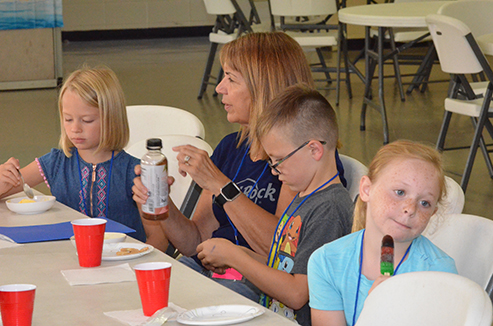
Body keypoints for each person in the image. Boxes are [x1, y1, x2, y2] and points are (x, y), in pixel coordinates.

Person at [132, 31, 347, 301]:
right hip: (214, 274)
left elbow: (283, 251)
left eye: (231, 79)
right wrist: (162, 204)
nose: (220, 88)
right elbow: (195, 242)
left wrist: (222, 186)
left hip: (258, 287)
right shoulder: (231, 146)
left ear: (263, 87)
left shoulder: (299, 161)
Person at [196, 85, 353, 326]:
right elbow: (282, 267)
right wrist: (234, 253)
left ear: (314, 149)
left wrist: (236, 257)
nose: (274, 169)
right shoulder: (303, 196)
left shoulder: (328, 209)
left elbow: (297, 293)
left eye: (280, 160)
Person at [0, 66, 166, 251]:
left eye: (86, 120)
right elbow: (8, 188)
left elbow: (158, 239)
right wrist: (3, 178)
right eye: (68, 119)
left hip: (123, 266)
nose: (75, 129)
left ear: (112, 119)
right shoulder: (55, 163)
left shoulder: (134, 172)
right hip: (69, 261)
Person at [307, 140, 458, 326]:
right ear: (366, 189)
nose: (410, 209)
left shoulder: (439, 273)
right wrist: (373, 312)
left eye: (424, 203)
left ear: (433, 213)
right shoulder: (326, 262)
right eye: (400, 192)